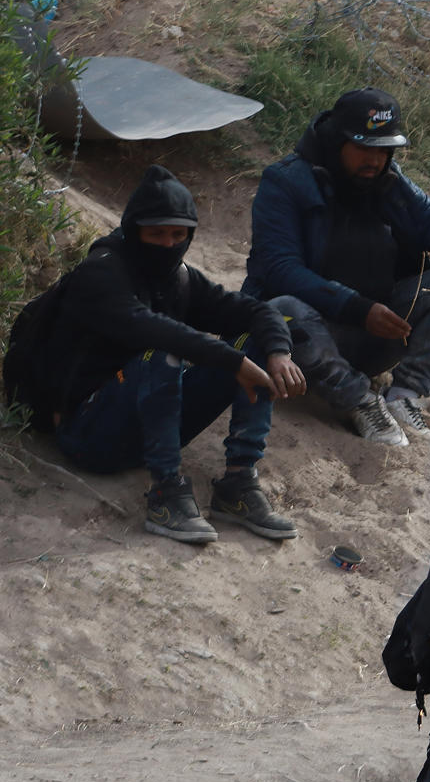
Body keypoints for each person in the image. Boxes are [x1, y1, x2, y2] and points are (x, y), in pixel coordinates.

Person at [35, 165, 303, 543]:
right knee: (162, 353)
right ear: (134, 231)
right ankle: (165, 493)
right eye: (156, 233)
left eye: (178, 235)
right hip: (89, 434)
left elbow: (258, 311)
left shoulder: (179, 277)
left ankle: (238, 482)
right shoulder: (101, 274)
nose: (168, 244)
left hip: (151, 430)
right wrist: (232, 362)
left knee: (254, 340)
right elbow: (153, 329)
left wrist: (278, 351)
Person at [243, 87, 430, 447]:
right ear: (336, 141)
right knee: (281, 309)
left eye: (384, 150)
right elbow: (280, 269)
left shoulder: (389, 183)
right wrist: (356, 307)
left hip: (379, 331)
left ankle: (403, 395)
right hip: (301, 340)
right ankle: (360, 400)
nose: (375, 160)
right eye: (364, 148)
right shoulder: (285, 182)